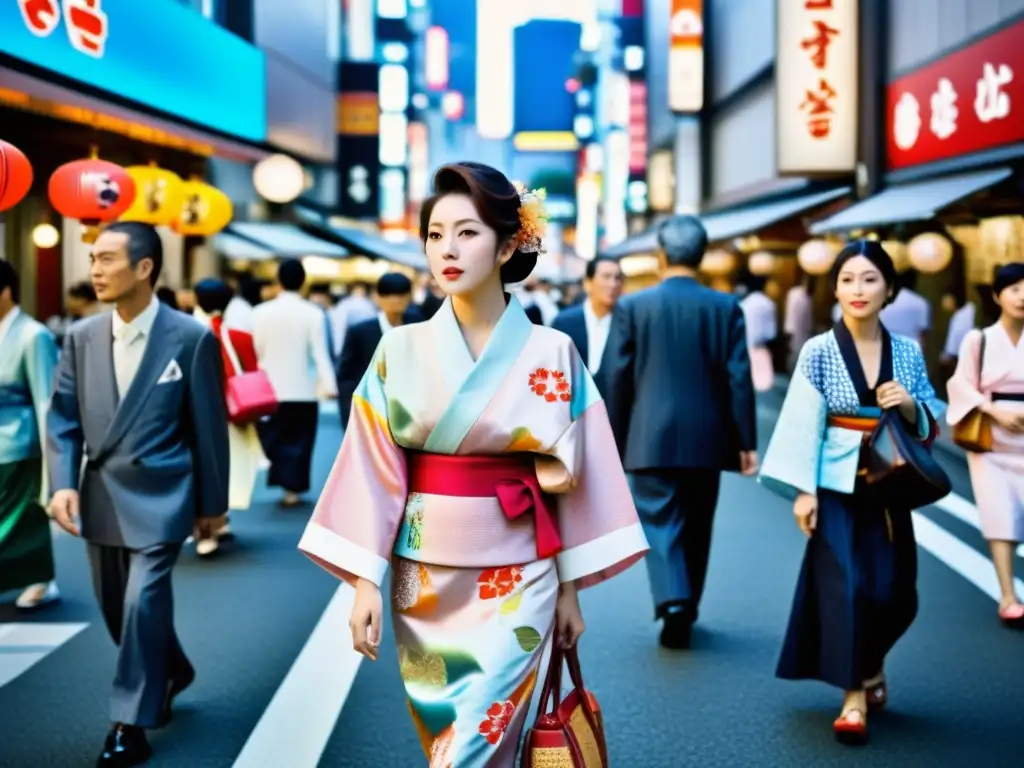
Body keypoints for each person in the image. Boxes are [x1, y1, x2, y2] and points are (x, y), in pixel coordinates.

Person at [297, 162, 648, 766]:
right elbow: (372, 469)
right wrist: (363, 581)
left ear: (509, 243)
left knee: (473, 747)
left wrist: (570, 590)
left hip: (519, 575)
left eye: (467, 233)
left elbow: (576, 479)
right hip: (423, 580)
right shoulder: (399, 349)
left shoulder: (552, 351)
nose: (447, 250)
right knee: (452, 738)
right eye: (435, 235)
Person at [46, 221, 230, 767]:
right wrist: (60, 484)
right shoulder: (80, 337)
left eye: (106, 259)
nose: (94, 271)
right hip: (100, 490)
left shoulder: (191, 337)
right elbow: (61, 420)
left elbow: (208, 429)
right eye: (93, 260)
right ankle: (174, 668)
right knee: (116, 609)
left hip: (164, 493)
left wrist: (210, 507)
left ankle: (128, 723)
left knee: (142, 601)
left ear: (145, 267)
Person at [758, 240, 940, 745]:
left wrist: (907, 405)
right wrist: (803, 492)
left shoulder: (905, 351)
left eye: (869, 279)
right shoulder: (819, 350)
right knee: (848, 590)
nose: (857, 290)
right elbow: (800, 422)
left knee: (896, 593)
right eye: (847, 280)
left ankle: (872, 663)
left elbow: (929, 420)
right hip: (834, 484)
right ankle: (853, 695)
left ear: (889, 289)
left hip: (889, 484)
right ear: (834, 289)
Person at [595, 215, 758, 650]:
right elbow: (739, 378)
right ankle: (688, 602)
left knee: (660, 521)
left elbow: (615, 376)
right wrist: (747, 442)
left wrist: (612, 436)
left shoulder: (633, 306)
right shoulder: (726, 308)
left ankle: (673, 600)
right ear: (701, 256)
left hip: (649, 436)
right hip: (709, 438)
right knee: (698, 522)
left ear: (662, 255)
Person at [946, 262, 1024, 627]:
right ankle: (1008, 594)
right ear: (997, 296)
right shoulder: (978, 339)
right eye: (1014, 289)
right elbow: (960, 386)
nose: (1022, 296)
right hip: (991, 441)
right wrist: (993, 410)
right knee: (1000, 515)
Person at [251, 259, 337, 507]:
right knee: (299, 441)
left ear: (278, 281)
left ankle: (281, 479)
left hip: (269, 388)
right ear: (303, 282)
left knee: (274, 438)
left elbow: (256, 351)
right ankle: (293, 490)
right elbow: (320, 353)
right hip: (303, 389)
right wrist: (329, 386)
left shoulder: (260, 313)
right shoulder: (313, 314)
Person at [0, 259, 60, 611]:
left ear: (6, 291)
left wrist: (53, 458)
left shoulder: (33, 334)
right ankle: (31, 576)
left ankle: (40, 578)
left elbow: (45, 398)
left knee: (21, 517)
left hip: (19, 442)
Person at [192, 277, 267, 557]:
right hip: (233, 414)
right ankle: (220, 519)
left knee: (199, 471)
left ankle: (206, 529)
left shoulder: (185, 332)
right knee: (228, 468)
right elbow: (251, 370)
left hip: (195, 413)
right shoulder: (239, 336)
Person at [336, 272, 423, 429]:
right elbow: (346, 377)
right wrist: (349, 416)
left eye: (401, 294)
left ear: (409, 297)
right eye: (388, 295)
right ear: (378, 297)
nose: (395, 300)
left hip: (411, 411)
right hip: (373, 409)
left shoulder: (419, 325)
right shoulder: (361, 331)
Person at [551, 255, 624, 374]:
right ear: (588, 283)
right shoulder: (564, 323)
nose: (613, 284)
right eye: (606, 277)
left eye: (618, 278)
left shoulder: (628, 323)